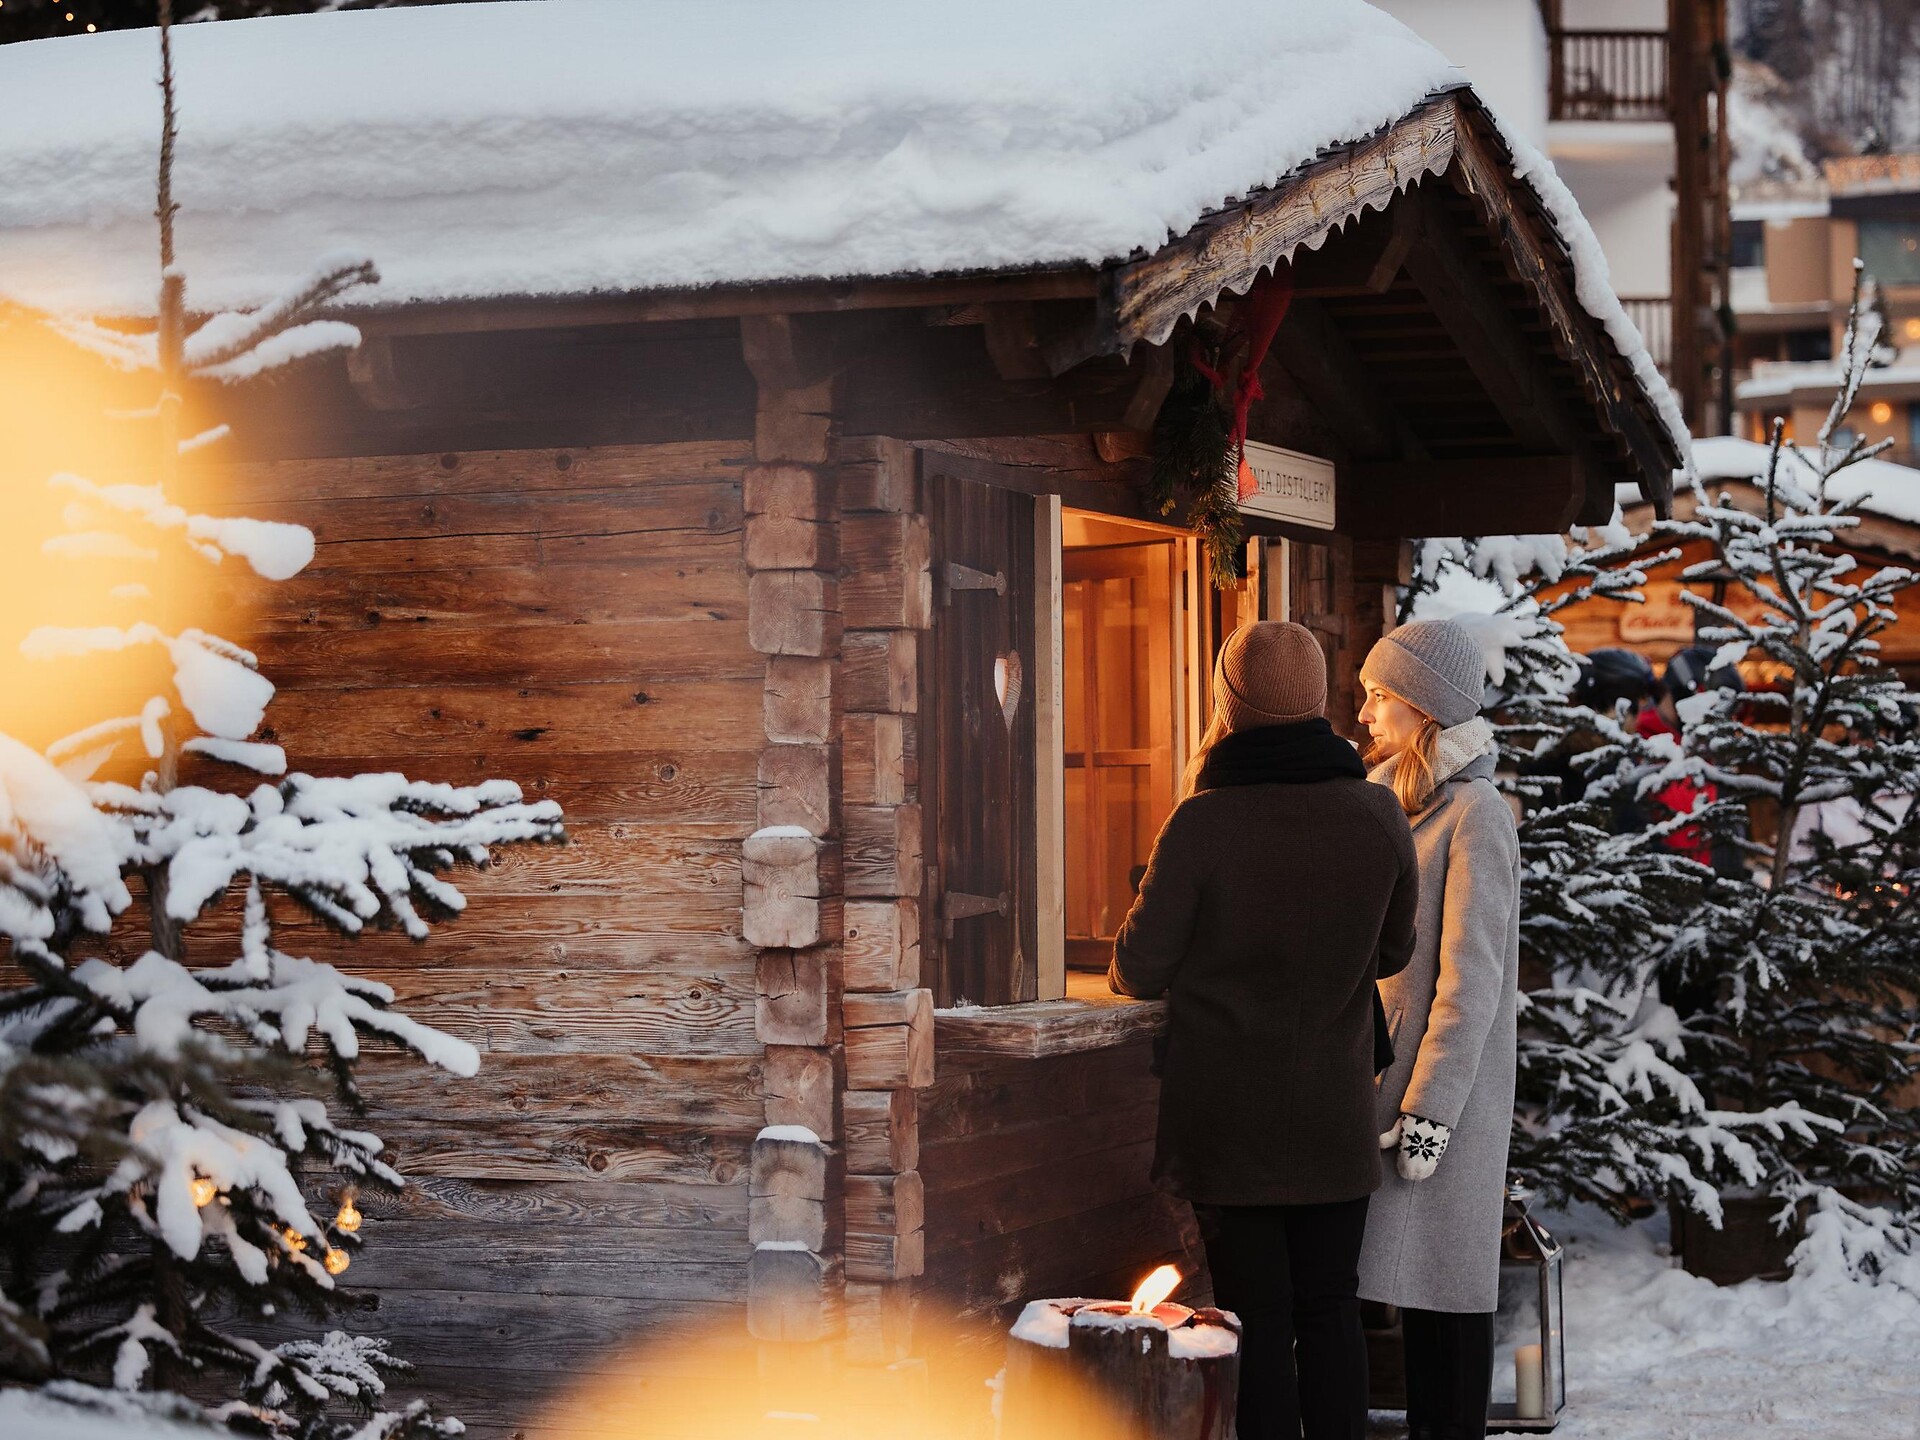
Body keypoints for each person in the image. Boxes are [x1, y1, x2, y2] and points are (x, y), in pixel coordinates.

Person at [1110, 620, 1420, 1440]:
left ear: (1231, 704)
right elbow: (1396, 948)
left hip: (1229, 1119)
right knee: (1330, 1311)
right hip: (1334, 1112)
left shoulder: (1202, 822)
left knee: (1253, 1319)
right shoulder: (1378, 813)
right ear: (1317, 701)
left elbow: (1135, 971)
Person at [1354, 619, 1522, 1440]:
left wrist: (1432, 1110)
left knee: (1446, 1304)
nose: (1365, 712)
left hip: (1439, 1101)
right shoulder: (1397, 800)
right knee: (1404, 1297)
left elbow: (1473, 978)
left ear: (1424, 708)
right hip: (1389, 1086)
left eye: (1380, 696)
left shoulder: (1478, 814)